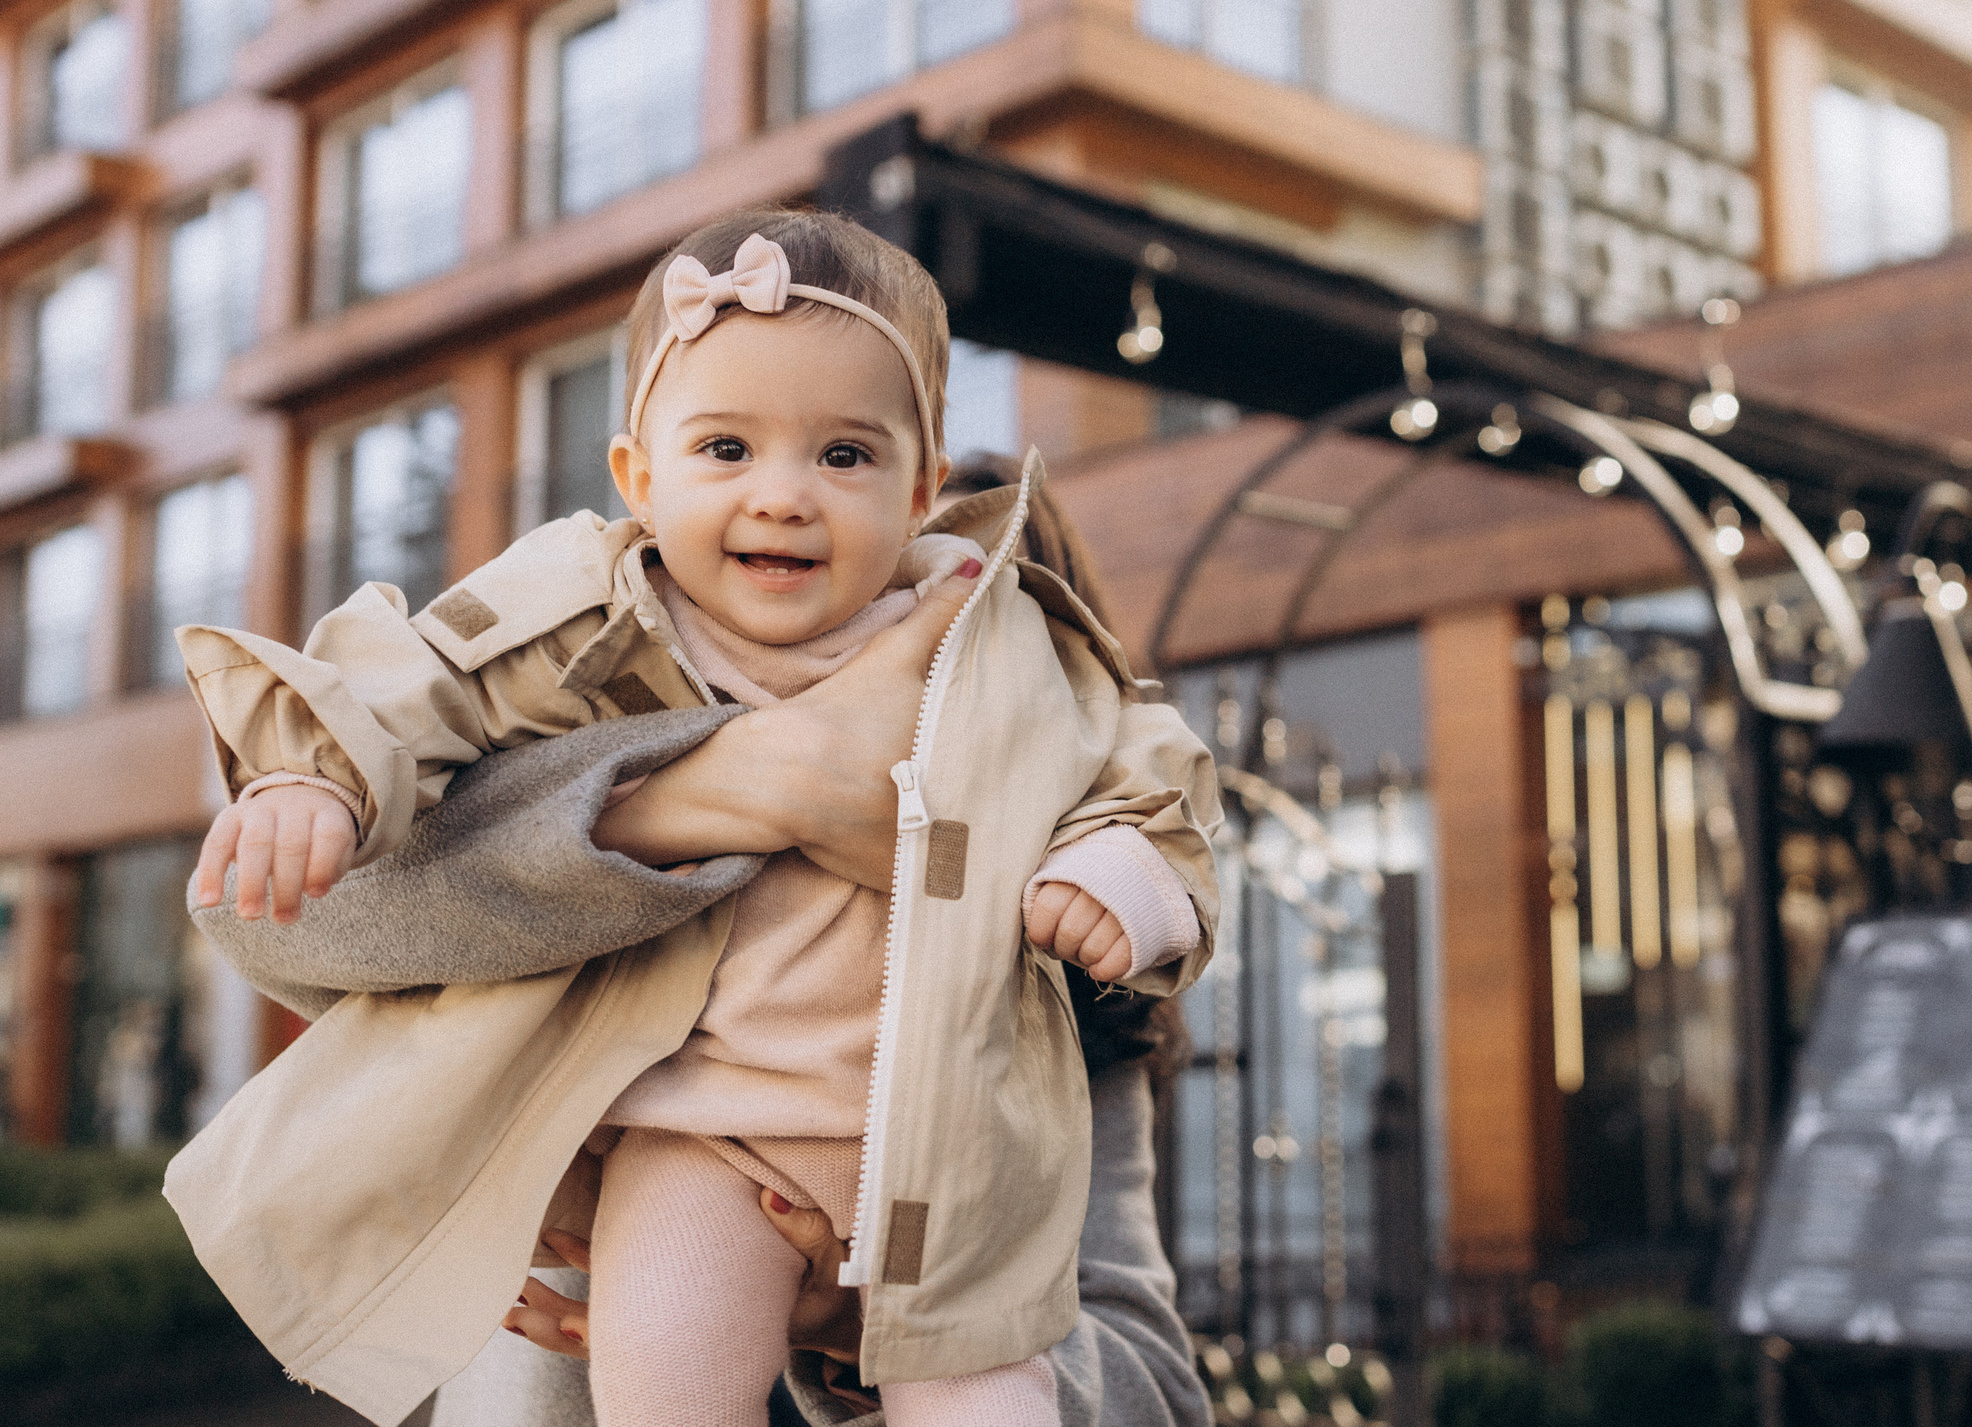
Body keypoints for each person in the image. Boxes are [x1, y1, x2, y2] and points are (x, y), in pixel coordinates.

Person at [165, 212, 1222, 1427]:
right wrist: (319, 774)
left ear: (923, 506)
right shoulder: (605, 650)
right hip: (698, 1143)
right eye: (727, 446)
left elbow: (1142, 776)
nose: (786, 500)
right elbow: (380, 750)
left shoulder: (1033, 734)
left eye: (849, 460)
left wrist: (850, 1340)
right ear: (642, 477)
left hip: (955, 1184)